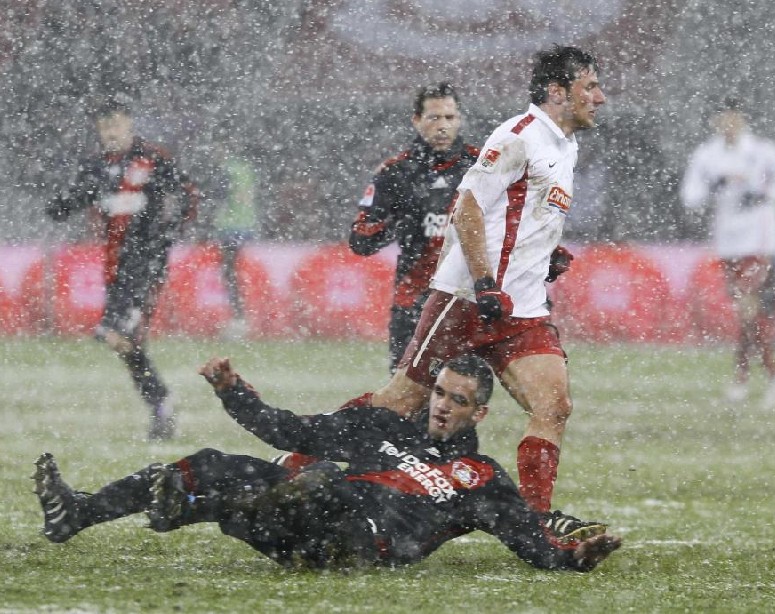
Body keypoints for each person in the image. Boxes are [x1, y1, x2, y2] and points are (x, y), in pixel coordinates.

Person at [33, 355, 621, 572]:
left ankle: (191, 503)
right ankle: (77, 512)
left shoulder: (483, 479)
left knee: (322, 491)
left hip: (359, 543)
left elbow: (534, 546)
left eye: (457, 400)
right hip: (306, 510)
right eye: (439, 392)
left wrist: (576, 558)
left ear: (481, 413)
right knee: (218, 463)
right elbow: (290, 429)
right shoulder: (381, 421)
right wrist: (234, 392)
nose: (441, 406)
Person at [366, 45, 599, 528]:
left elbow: (519, 216)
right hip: (470, 298)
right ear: (559, 92)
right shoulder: (519, 136)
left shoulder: (566, 144)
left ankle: (535, 524)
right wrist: (485, 281)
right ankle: (303, 460)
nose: (599, 96)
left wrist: (545, 252)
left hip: (524, 308)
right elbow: (468, 207)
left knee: (553, 406)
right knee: (399, 405)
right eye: (589, 87)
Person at [46, 97, 199, 439]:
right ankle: (161, 403)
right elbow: (74, 200)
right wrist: (59, 205)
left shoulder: (153, 158)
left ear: (129, 124)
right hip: (115, 266)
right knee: (123, 341)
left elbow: (188, 195)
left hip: (146, 265)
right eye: (104, 127)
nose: (110, 132)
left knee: (116, 334)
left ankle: (160, 403)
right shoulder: (96, 167)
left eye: (116, 124)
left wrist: (167, 235)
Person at [349, 82, 480, 372]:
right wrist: (400, 220)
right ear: (417, 121)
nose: (442, 126)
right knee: (407, 403)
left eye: (449, 118)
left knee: (463, 400)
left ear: (459, 119)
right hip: (414, 303)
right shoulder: (394, 173)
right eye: (434, 118)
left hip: (467, 300)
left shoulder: (481, 165)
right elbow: (359, 240)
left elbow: (513, 223)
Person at [680, 98, 775, 408]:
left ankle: (755, 377)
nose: (729, 125)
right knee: (747, 313)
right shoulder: (707, 155)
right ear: (715, 123)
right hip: (728, 240)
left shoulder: (762, 151)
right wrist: (716, 184)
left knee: (749, 309)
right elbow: (690, 196)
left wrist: (763, 193)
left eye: (734, 119)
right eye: (723, 119)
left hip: (760, 239)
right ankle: (761, 376)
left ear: (744, 120)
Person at [210, 149, 260, 340]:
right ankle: (240, 318)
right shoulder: (245, 168)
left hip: (230, 225)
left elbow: (219, 196)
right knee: (233, 270)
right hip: (246, 222)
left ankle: (239, 319)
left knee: (229, 270)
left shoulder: (227, 169)